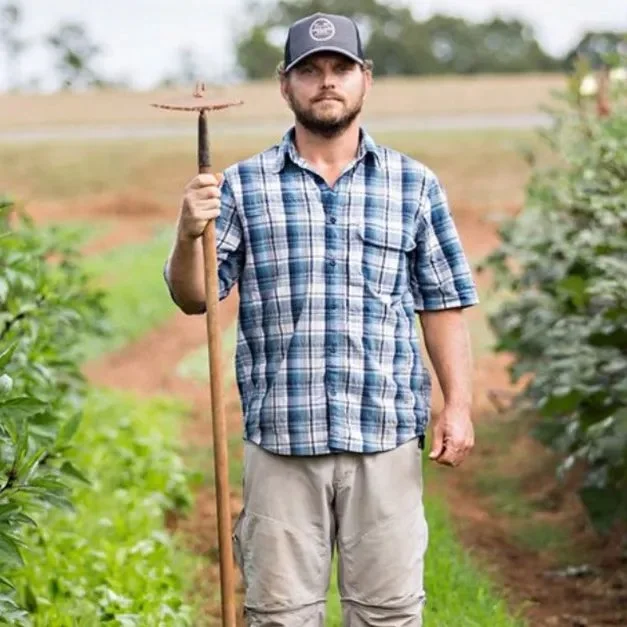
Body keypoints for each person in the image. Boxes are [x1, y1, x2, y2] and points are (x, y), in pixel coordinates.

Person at [164, 11, 479, 627]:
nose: (326, 82)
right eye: (310, 71)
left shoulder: (414, 185)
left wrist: (458, 403)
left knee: (387, 616)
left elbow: (441, 302)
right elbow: (195, 297)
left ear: (365, 79)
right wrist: (185, 232)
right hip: (281, 439)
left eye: (340, 69)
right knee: (280, 617)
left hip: (383, 436)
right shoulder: (242, 186)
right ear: (286, 85)